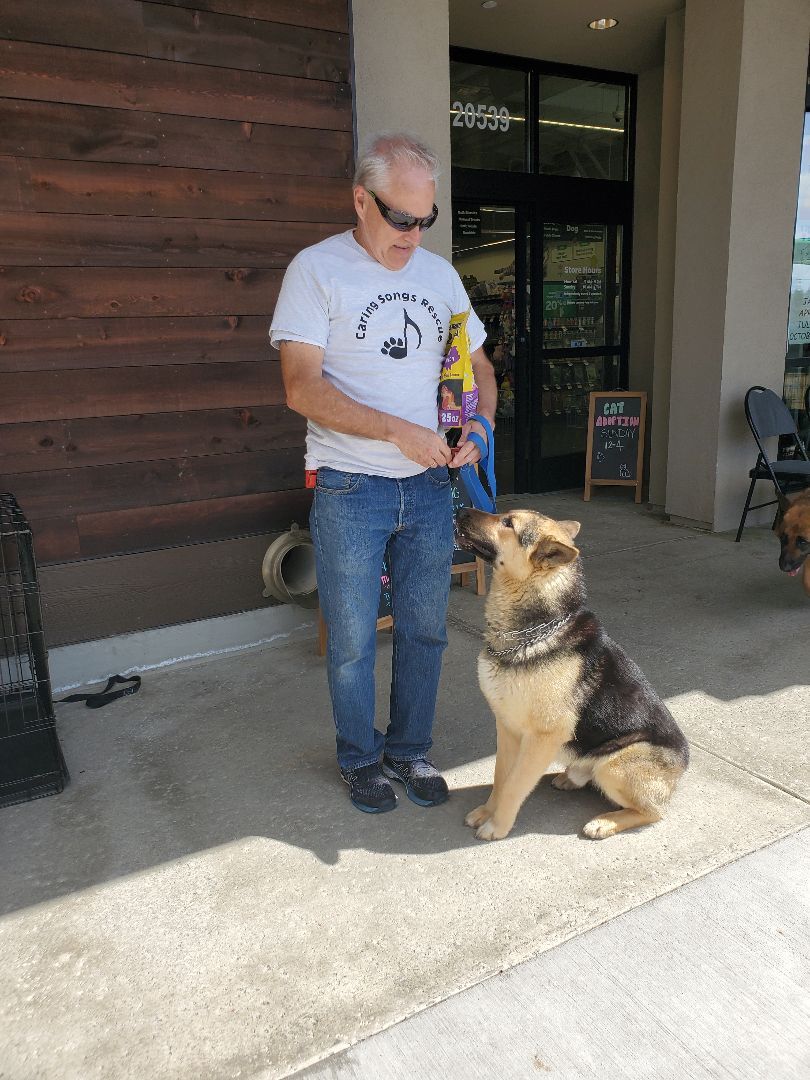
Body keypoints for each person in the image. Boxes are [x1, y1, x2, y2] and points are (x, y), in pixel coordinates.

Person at [270, 132, 497, 814]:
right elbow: (301, 388)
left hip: (429, 487)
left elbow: (478, 368)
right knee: (351, 642)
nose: (413, 235)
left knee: (426, 631)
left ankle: (409, 749)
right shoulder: (316, 270)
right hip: (350, 486)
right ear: (361, 200)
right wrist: (400, 431)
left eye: (426, 219)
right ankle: (360, 759)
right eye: (401, 218)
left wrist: (480, 426)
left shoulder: (441, 277)